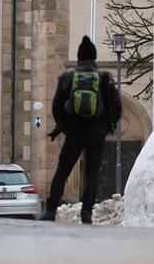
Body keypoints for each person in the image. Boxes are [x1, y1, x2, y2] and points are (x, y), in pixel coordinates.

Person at [40, 36, 121, 224]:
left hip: (74, 134)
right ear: (94, 57)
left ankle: (50, 211)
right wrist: (108, 126)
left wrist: (63, 126)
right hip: (97, 135)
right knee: (92, 174)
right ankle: (86, 214)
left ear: (78, 57)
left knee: (62, 172)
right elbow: (116, 108)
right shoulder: (105, 78)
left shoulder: (67, 78)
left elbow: (56, 106)